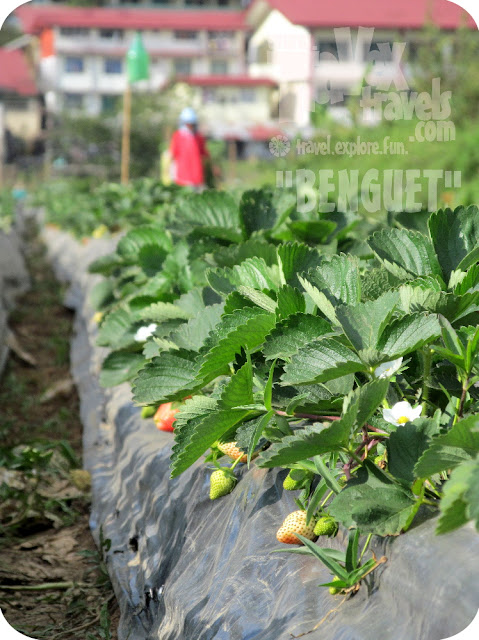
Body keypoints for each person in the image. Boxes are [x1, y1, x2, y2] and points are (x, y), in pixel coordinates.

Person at [169, 107, 209, 189]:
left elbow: (204, 154)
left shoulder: (199, 137)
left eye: (192, 123)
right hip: (183, 176)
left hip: (197, 176)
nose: (190, 125)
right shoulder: (178, 136)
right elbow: (173, 154)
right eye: (187, 123)